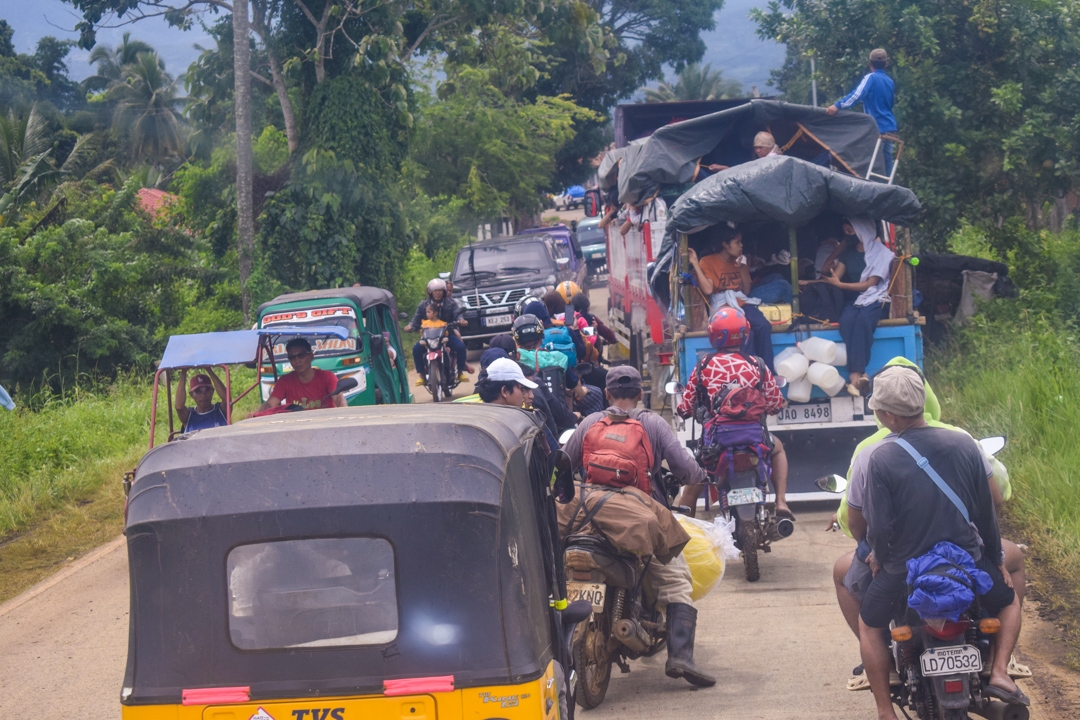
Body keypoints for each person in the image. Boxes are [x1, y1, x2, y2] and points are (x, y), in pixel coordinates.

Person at [828, 357, 1029, 690]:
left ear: (889, 416)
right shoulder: (965, 442)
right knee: (1008, 602)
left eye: (879, 410)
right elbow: (987, 510)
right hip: (965, 560)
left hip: (902, 567)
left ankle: (885, 708)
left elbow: (876, 525)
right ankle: (999, 669)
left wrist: (878, 556)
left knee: (869, 624)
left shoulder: (875, 454)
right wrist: (994, 558)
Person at [562, 366, 714, 687]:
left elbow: (564, 464)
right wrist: (699, 475)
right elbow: (685, 469)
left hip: (590, 517)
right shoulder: (653, 424)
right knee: (676, 581)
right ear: (640, 394)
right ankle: (680, 657)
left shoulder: (589, 422)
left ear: (606, 393)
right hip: (639, 519)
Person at [676, 306, 793, 520]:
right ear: (745, 333)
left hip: (716, 443)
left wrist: (687, 411)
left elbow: (686, 405)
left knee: (693, 482)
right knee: (778, 449)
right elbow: (775, 403)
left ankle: (686, 532)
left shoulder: (704, 365)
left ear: (713, 335)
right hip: (754, 439)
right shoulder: (757, 364)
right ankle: (781, 502)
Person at [813, 218, 894, 395]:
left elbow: (870, 284)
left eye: (851, 232)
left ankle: (856, 373)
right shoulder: (848, 252)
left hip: (876, 297)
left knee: (863, 320)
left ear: (862, 230)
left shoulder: (882, 253)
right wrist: (841, 246)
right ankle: (861, 374)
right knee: (847, 320)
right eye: (845, 232)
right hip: (857, 299)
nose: (848, 235)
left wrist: (841, 285)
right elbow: (831, 272)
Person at [687, 226, 776, 371]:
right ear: (725, 244)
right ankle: (747, 372)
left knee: (763, 325)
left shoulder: (740, 261)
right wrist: (695, 263)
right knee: (746, 333)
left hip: (740, 301)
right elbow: (708, 290)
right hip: (722, 305)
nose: (741, 245)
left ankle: (767, 373)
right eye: (737, 242)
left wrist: (742, 268)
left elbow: (746, 291)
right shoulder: (708, 261)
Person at [826, 49, 897, 175]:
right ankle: (890, 186)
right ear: (886, 64)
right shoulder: (889, 82)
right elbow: (890, 103)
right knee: (887, 164)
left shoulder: (871, 78)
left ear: (870, 63)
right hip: (890, 127)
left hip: (876, 128)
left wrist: (837, 105)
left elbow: (856, 96)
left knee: (873, 163)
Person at [251, 338, 348, 414]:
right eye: (292, 357)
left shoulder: (327, 377)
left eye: (301, 356)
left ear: (311, 356)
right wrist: (254, 415)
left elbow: (339, 400)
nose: (297, 361)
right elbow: (270, 404)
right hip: (296, 426)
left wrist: (345, 416)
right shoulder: (285, 381)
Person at [405, 278, 472, 386]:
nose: (438, 293)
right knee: (416, 349)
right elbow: (416, 318)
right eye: (435, 290)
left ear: (444, 291)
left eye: (440, 290)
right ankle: (422, 376)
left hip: (446, 334)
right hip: (428, 335)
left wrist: (461, 320)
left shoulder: (451, 303)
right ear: (430, 292)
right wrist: (410, 326)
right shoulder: (423, 305)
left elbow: (457, 314)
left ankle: (460, 372)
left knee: (460, 347)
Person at [174, 367, 229, 432]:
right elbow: (179, 407)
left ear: (212, 391)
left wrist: (209, 370)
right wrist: (183, 372)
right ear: (191, 395)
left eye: (207, 390)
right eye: (198, 392)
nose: (203, 395)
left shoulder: (221, 411)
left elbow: (227, 399)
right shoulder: (189, 415)